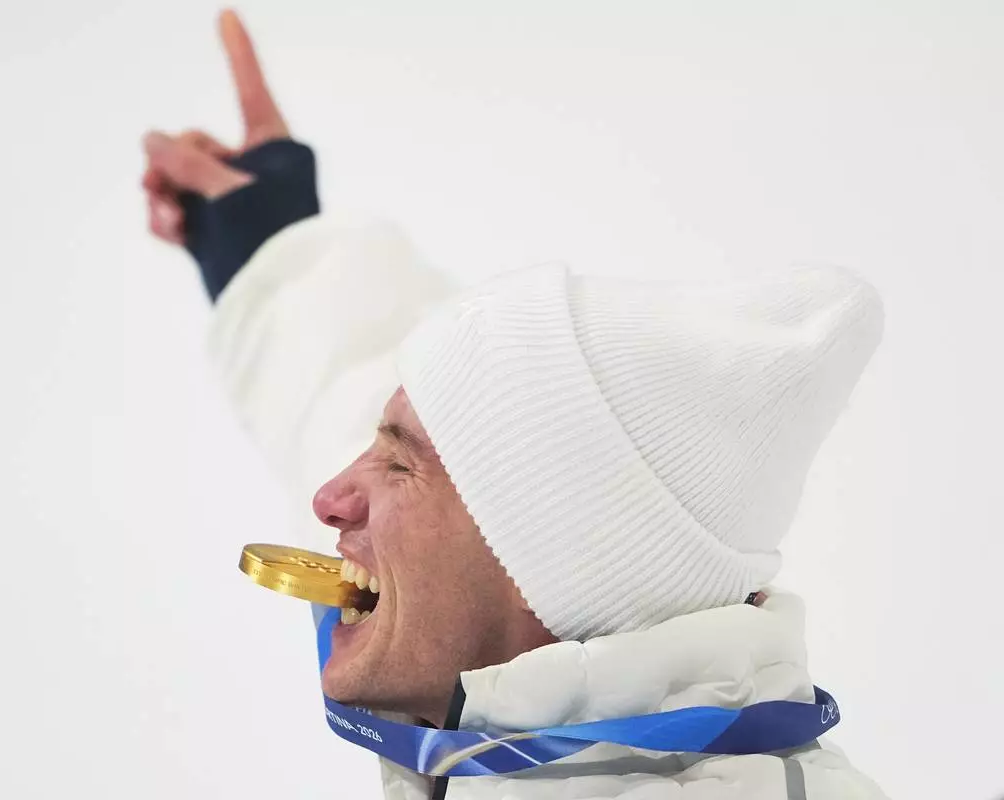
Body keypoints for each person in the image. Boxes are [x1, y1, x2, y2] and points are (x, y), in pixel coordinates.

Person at [141, 10, 889, 799]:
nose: (330, 499)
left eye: (397, 463)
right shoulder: (503, 623)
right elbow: (353, 399)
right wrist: (268, 242)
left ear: (550, 572)